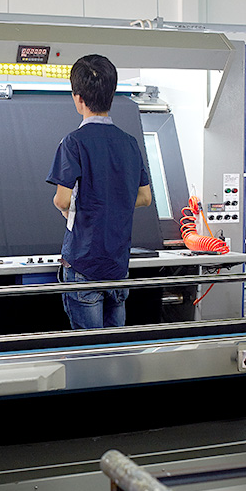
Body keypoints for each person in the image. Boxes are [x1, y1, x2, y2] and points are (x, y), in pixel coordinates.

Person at [46, 54, 152, 330]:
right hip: (117, 264)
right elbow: (145, 198)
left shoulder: (73, 143)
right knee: (115, 346)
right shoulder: (129, 143)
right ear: (112, 95)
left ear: (78, 98)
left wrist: (78, 207)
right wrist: (114, 200)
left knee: (89, 348)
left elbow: (62, 200)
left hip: (84, 262)